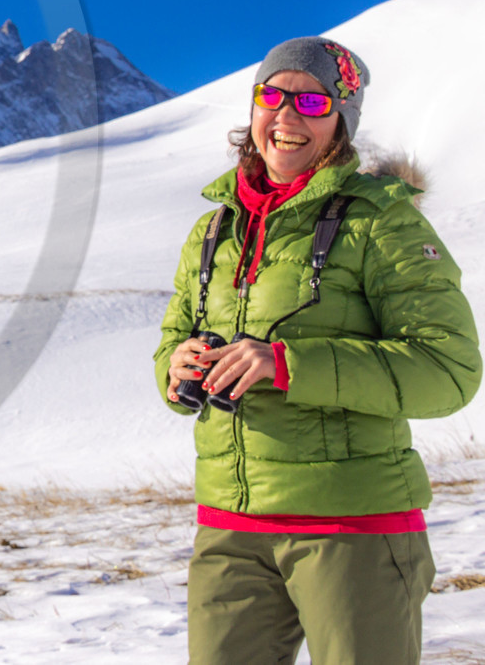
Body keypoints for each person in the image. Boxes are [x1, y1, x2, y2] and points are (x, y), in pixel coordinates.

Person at [155, 36, 481, 665]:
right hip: (230, 526)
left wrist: (284, 365)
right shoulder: (214, 227)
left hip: (353, 527)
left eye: (311, 100)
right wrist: (176, 365)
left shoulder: (381, 222)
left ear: (341, 120)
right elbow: (172, 338)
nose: (286, 115)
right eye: (271, 95)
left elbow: (449, 371)